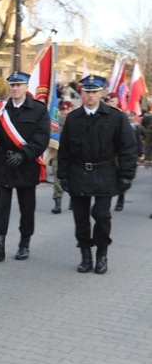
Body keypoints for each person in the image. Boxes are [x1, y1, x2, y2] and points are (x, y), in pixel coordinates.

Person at [57, 75, 136, 274]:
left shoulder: (115, 117)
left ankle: (102, 253)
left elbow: (127, 148)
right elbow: (64, 149)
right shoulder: (74, 118)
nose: (90, 95)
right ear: (82, 92)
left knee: (101, 216)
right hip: (79, 173)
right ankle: (85, 255)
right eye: (87, 91)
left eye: (94, 91)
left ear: (101, 93)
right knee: (81, 218)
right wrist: (63, 174)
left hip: (105, 173)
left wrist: (127, 175)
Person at [0, 71, 50, 262]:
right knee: (1, 208)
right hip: (4, 165)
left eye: (19, 85)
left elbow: (41, 138)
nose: (15, 88)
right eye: (12, 85)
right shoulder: (0, 108)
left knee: (27, 208)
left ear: (26, 87)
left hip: (26, 165)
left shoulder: (38, 110)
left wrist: (24, 155)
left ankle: (24, 244)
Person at [50, 100, 74, 214]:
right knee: (57, 179)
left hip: (73, 155)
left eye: (68, 109)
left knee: (74, 178)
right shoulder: (56, 124)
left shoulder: (76, 122)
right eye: (63, 109)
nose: (65, 112)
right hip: (58, 155)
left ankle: (73, 200)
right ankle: (57, 203)